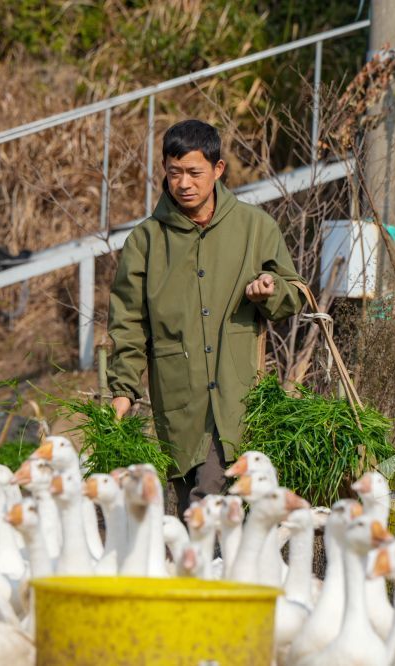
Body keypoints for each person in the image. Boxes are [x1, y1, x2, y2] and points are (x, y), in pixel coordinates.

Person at [106, 119, 305, 515]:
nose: (184, 183)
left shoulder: (254, 227)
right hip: (177, 397)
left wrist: (269, 289)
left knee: (207, 500)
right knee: (187, 508)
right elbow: (127, 322)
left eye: (194, 173)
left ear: (217, 170)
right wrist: (122, 389)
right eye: (174, 172)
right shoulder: (145, 242)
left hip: (237, 394)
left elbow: (293, 293)